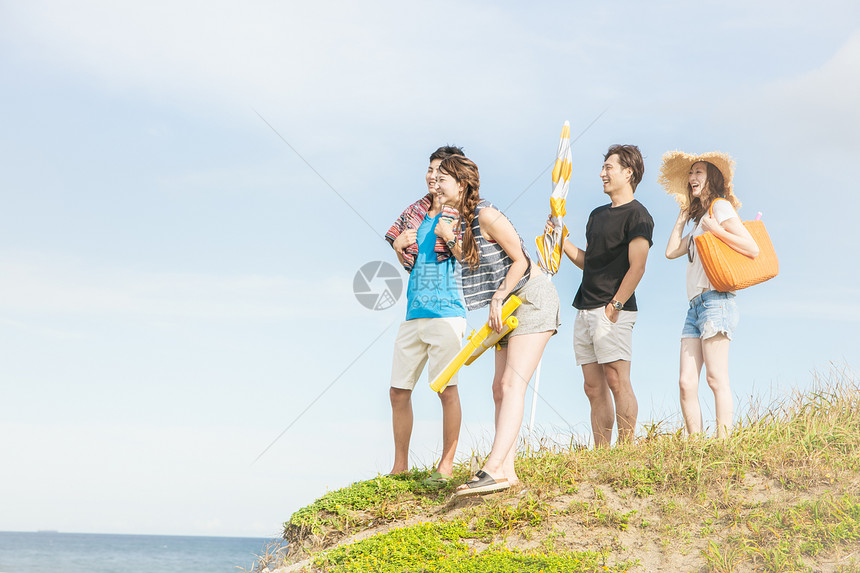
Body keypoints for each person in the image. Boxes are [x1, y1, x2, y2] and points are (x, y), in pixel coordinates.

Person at [434, 155, 560, 496]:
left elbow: (520, 257)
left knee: (511, 384)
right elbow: (474, 260)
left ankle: (492, 467)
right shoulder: (463, 219)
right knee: (498, 388)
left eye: (442, 179)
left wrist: (498, 296)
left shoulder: (486, 214)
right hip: (506, 307)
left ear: (461, 184)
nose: (436, 184)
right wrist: (450, 239)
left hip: (530, 298)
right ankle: (507, 470)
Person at [551, 144, 653, 447]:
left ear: (628, 172)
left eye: (609, 167)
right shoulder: (596, 215)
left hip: (614, 309)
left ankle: (625, 450)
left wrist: (615, 306)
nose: (602, 173)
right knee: (592, 387)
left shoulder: (639, 216)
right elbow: (589, 262)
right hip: (585, 307)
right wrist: (562, 240)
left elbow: (638, 267)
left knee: (616, 380)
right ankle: (601, 452)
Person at [384, 145, 467, 485]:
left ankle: (445, 467)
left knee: (446, 390)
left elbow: (470, 258)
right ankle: (399, 467)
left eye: (441, 171)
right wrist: (397, 245)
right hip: (414, 311)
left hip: (447, 313)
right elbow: (401, 247)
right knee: (397, 391)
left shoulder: (463, 214)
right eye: (430, 169)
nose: (433, 176)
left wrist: (450, 237)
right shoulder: (415, 212)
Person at [660, 151, 759, 438]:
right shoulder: (698, 220)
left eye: (699, 172)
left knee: (716, 378)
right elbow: (670, 252)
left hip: (716, 301)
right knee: (686, 382)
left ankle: (723, 443)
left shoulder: (720, 208)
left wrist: (716, 229)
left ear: (712, 178)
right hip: (694, 307)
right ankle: (695, 444)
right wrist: (682, 219)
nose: (692, 177)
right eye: (691, 173)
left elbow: (751, 247)